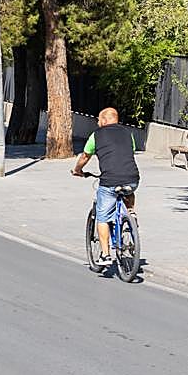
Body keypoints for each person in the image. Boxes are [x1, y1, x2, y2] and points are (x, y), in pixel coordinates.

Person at [72, 107, 139, 265]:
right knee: (129, 189)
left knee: (102, 216)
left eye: (99, 119)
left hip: (109, 181)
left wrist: (77, 170)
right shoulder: (128, 134)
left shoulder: (96, 135)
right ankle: (131, 213)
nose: (97, 122)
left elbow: (85, 156)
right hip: (133, 178)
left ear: (104, 120)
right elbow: (131, 151)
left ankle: (105, 255)